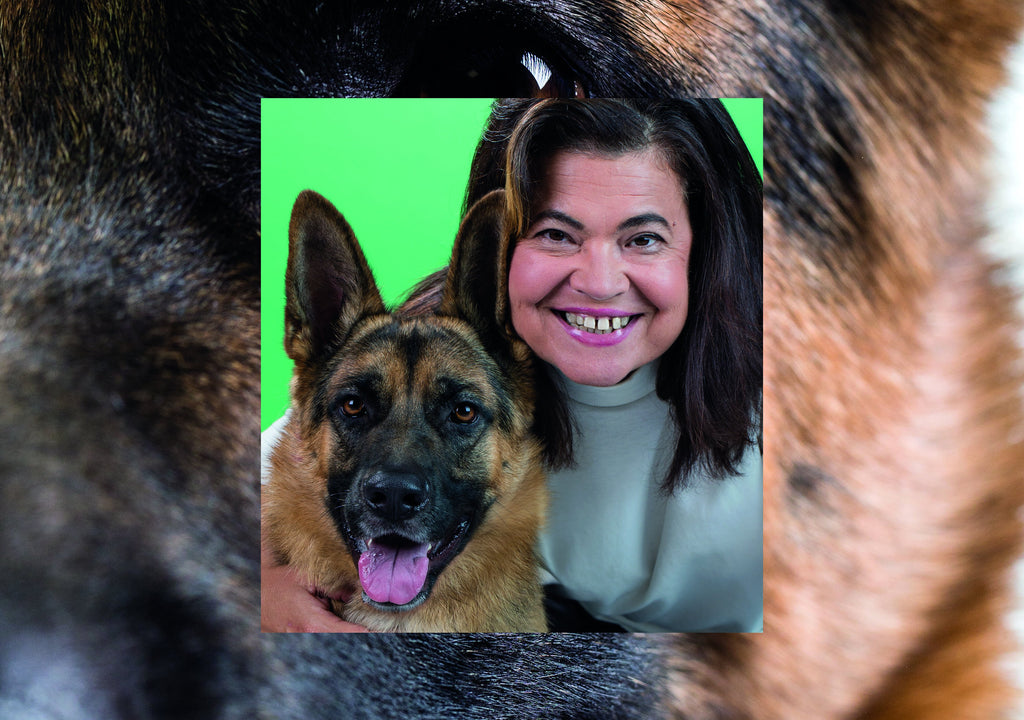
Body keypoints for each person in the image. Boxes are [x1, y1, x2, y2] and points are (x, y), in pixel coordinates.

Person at [261, 98, 762, 632]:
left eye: (644, 239)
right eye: (556, 234)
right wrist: (260, 594)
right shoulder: (420, 344)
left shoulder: (791, 398)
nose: (599, 284)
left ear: (705, 252)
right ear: (504, 250)